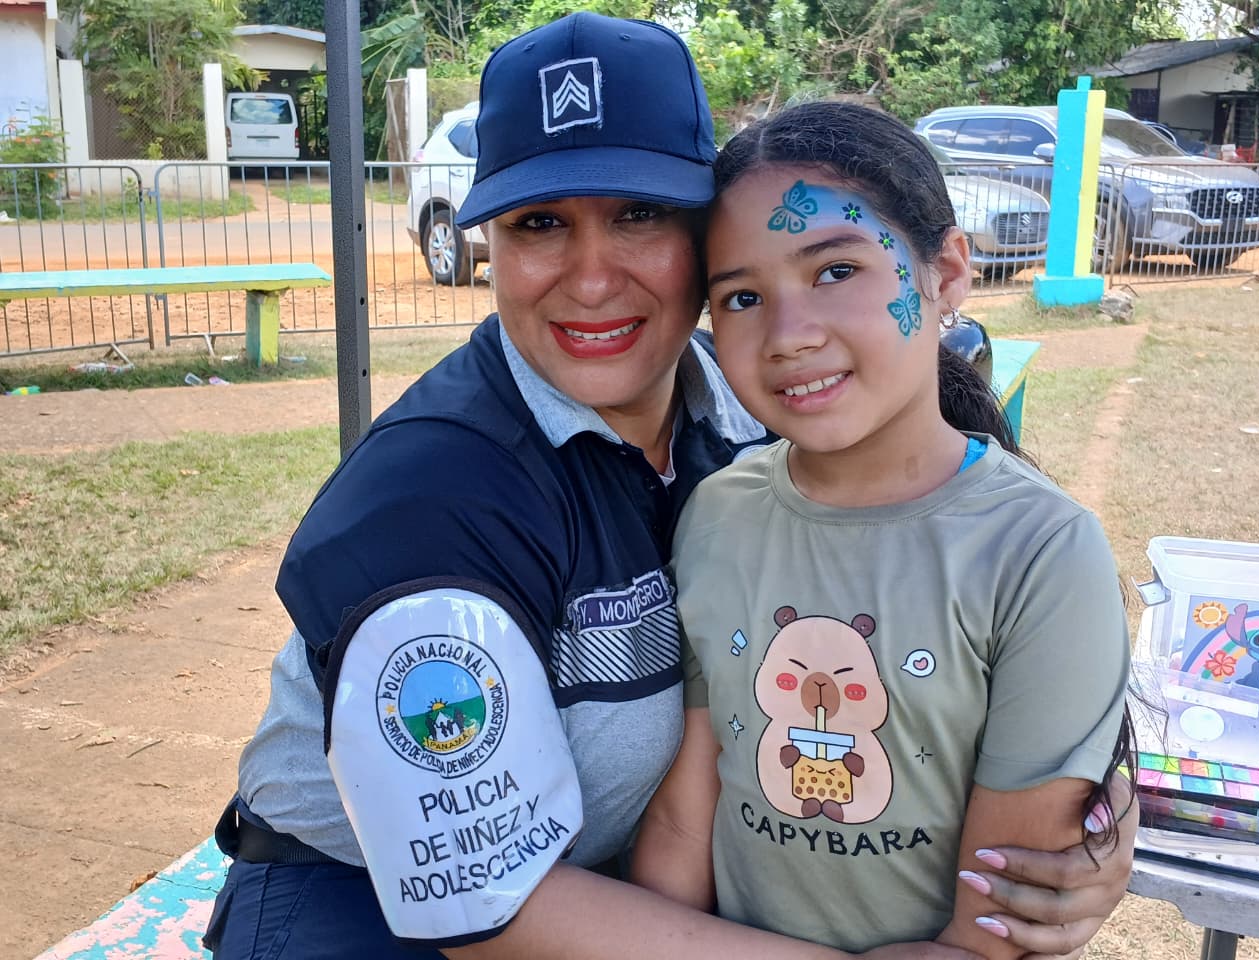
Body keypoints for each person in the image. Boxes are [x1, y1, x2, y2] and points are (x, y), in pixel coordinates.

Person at [203, 15, 1135, 960]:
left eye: (640, 216)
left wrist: (1092, 814)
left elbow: (975, 572)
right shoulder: (434, 496)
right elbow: (477, 901)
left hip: (626, 891)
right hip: (368, 905)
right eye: (539, 224)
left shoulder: (760, 398)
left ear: (705, 236)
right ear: (491, 247)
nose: (594, 278)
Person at [631, 100, 1136, 960]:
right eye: (743, 296)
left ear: (945, 275)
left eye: (835, 271)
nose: (790, 336)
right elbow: (686, 821)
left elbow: (989, 931)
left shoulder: (1042, 555)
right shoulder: (717, 513)